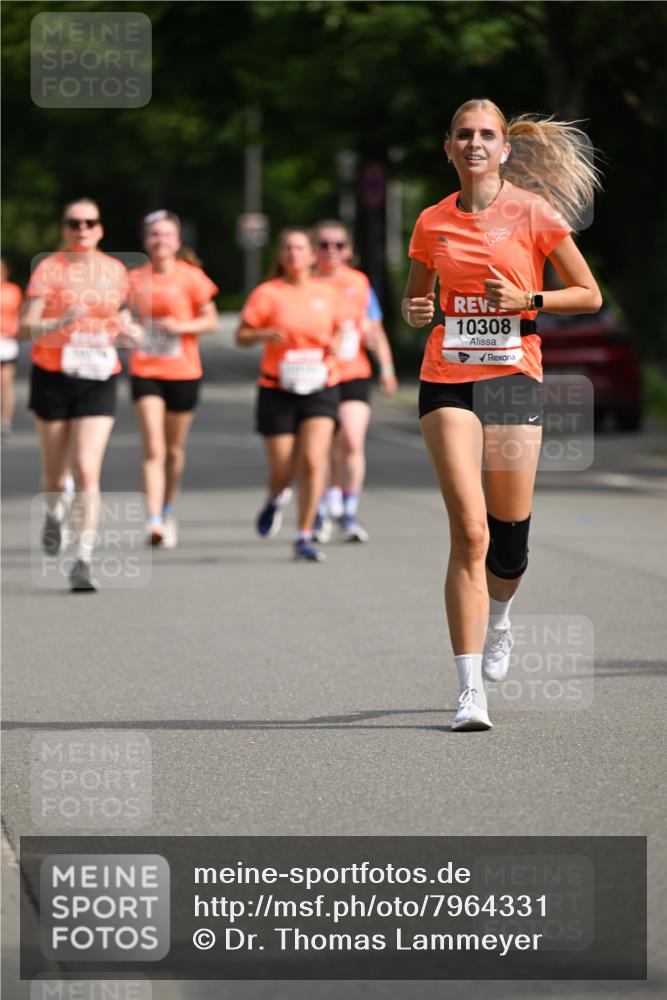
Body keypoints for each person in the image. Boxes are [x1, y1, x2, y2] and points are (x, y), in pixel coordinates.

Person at [403, 98, 602, 731]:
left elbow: (589, 294)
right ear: (449, 148)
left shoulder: (533, 212)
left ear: (505, 148)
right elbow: (416, 298)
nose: (475, 143)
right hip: (448, 378)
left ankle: (502, 617)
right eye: (464, 134)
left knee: (508, 543)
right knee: (470, 531)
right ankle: (468, 694)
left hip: (513, 377)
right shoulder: (431, 221)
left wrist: (530, 297)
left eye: (487, 134)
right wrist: (416, 312)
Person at [20, 197, 142, 591]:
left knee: (87, 469)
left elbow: (120, 315)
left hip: (98, 374)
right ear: (65, 228)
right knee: (56, 475)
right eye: (75, 222)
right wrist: (61, 321)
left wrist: (128, 331)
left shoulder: (115, 270)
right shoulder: (49, 268)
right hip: (53, 376)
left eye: (90, 222)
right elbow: (26, 327)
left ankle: (83, 559)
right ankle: (54, 512)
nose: (83, 229)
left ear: (101, 229)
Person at [236, 227, 343, 562]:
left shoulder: (328, 292)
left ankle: (305, 534)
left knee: (313, 461)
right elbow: (241, 335)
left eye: (300, 248)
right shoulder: (267, 293)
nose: (294, 254)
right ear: (281, 256)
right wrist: (262, 333)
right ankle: (275, 497)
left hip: (321, 386)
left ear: (312, 255)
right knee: (283, 468)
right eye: (288, 249)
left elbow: (342, 328)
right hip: (277, 388)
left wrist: (339, 341)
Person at [127, 210, 219, 548]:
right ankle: (152, 520)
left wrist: (180, 327)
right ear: (145, 241)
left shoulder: (192, 278)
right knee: (153, 446)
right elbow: (122, 316)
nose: (160, 240)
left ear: (177, 241)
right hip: (145, 369)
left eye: (167, 235)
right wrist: (128, 327)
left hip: (183, 371)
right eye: (154, 235)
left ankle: (167, 509)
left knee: (174, 451)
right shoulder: (134, 278)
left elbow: (209, 321)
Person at [312, 220, 398, 543]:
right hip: (316, 376)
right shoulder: (304, 282)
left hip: (353, 372)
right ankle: (322, 508)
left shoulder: (358, 282)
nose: (331, 251)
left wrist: (386, 368)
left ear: (348, 251)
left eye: (338, 245)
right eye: (323, 245)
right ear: (314, 250)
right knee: (321, 447)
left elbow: (375, 329)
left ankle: (347, 510)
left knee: (350, 440)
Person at [1, 258, 23, 440]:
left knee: (5, 383)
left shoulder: (12, 291)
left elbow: (18, 314)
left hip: (5, 341)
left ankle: (5, 422)